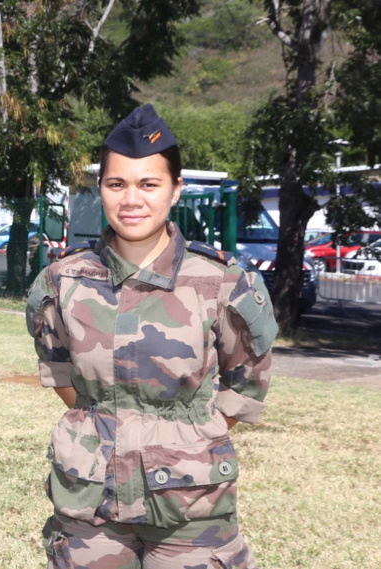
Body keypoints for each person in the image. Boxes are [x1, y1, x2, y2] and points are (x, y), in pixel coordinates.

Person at [26, 104, 277, 569]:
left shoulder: (223, 283)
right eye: (116, 184)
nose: (131, 199)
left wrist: (181, 435)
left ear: (175, 189)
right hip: (91, 497)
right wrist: (113, 423)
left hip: (192, 502)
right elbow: (61, 374)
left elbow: (244, 387)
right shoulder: (62, 281)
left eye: (148, 184)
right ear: (100, 189)